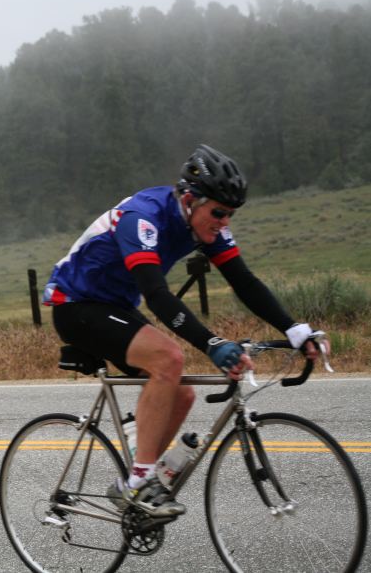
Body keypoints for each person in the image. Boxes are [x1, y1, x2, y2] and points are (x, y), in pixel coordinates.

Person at [43, 144, 329, 517]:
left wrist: (296, 330)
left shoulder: (203, 226)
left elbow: (244, 281)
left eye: (231, 215)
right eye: (219, 212)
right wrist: (212, 344)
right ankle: (137, 485)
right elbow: (158, 297)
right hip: (76, 306)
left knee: (183, 394)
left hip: (115, 308)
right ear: (191, 200)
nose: (225, 222)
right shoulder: (141, 218)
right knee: (169, 359)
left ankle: (140, 477)